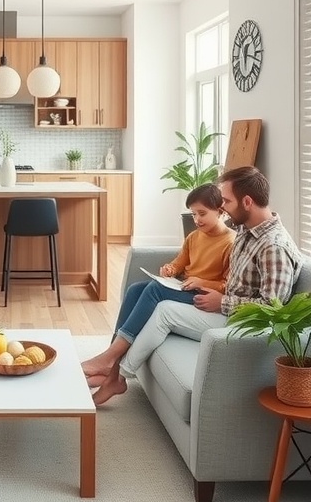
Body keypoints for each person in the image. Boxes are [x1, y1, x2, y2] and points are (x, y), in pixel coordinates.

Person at [87, 166, 303, 407]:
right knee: (139, 290)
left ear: (248, 202)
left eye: (227, 202)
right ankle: (112, 364)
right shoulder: (246, 230)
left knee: (164, 310)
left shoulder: (274, 247)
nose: (222, 208)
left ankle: (116, 371)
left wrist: (221, 301)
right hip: (223, 305)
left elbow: (272, 310)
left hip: (239, 322)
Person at [82, 183, 236, 386]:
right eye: (193, 214)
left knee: (154, 290)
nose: (197, 220)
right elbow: (179, 263)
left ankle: (110, 357)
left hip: (203, 295)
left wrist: (202, 281)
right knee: (135, 289)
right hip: (184, 288)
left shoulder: (230, 242)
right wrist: (170, 269)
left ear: (221, 211)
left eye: (202, 213)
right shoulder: (194, 237)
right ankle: (112, 356)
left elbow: (228, 286)